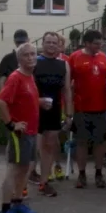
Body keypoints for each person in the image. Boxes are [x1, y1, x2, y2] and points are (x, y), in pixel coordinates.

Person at [0, 43, 42, 213]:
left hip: (30, 131)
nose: (31, 58)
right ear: (19, 59)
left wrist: (40, 102)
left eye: (33, 54)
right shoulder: (16, 77)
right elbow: (0, 103)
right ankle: (5, 210)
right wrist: (11, 124)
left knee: (25, 169)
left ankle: (17, 202)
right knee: (14, 169)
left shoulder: (29, 76)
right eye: (26, 55)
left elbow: (24, 101)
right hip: (20, 134)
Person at [68, 29, 106, 189]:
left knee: (100, 142)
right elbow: (68, 83)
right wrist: (69, 107)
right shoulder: (75, 57)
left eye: (100, 44)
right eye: (95, 44)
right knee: (82, 142)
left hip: (101, 107)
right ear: (86, 43)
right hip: (81, 108)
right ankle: (82, 174)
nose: (98, 46)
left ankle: (99, 173)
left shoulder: (103, 57)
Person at [33, 31, 72, 197]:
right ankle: (23, 183)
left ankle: (44, 182)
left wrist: (69, 113)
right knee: (33, 147)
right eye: (48, 42)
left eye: (54, 43)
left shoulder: (63, 65)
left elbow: (66, 90)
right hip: (34, 110)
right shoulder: (34, 61)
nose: (51, 45)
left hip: (54, 110)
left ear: (58, 45)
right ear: (43, 43)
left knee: (49, 147)